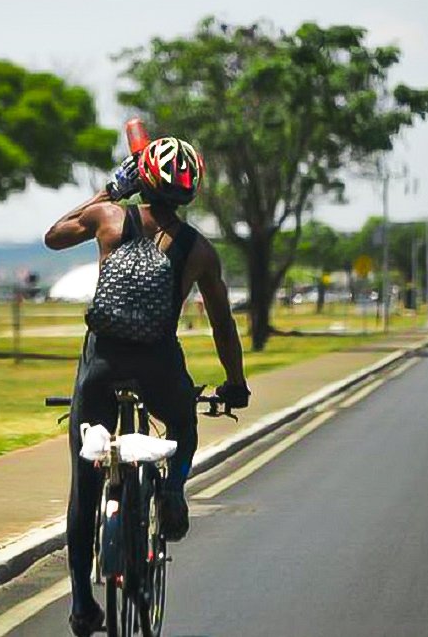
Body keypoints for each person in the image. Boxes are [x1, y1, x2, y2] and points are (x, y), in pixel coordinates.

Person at [45, 136, 250, 636]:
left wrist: (109, 190)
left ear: (143, 179)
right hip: (159, 364)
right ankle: (174, 488)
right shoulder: (199, 249)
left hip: (102, 363)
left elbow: (53, 236)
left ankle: (81, 604)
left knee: (85, 481)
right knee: (181, 422)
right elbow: (223, 325)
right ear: (190, 191)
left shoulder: (109, 218)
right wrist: (235, 383)